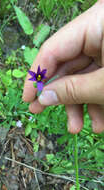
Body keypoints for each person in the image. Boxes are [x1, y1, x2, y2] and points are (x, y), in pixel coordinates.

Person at [22, 0, 104, 134]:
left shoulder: (40, 80)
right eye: (37, 77)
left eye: (38, 77)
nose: (38, 77)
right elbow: (38, 80)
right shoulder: (39, 80)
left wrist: (68, 90)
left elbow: (40, 80)